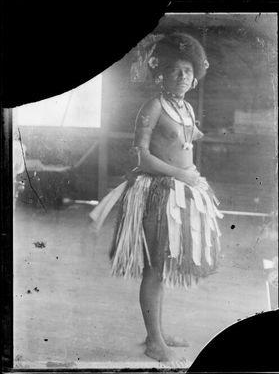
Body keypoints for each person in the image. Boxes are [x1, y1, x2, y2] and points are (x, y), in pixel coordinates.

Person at [90, 32, 223, 363]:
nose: (182, 77)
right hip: (157, 194)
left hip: (184, 192)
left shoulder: (186, 108)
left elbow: (185, 141)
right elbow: (143, 158)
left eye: (188, 72)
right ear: (160, 73)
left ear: (195, 78)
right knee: (154, 270)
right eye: (176, 70)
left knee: (162, 269)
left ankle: (158, 334)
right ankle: (153, 340)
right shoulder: (152, 106)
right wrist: (181, 174)